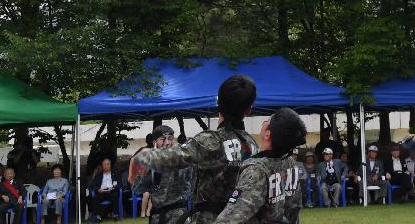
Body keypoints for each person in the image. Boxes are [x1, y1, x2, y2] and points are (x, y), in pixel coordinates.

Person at [131, 75, 260, 224]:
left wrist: (140, 156)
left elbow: (170, 158)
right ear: (249, 110)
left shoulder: (212, 141)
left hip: (211, 218)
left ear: (218, 102)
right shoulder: (252, 145)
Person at [214, 108, 307, 224]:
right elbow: (295, 207)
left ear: (268, 134)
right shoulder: (291, 164)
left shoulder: (257, 170)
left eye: (268, 120)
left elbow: (232, 217)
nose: (264, 121)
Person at [133, 125, 193, 224]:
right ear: (155, 142)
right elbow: (137, 189)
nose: (167, 143)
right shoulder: (149, 163)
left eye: (170, 139)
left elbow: (191, 183)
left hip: (178, 214)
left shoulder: (181, 159)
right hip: (157, 216)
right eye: (162, 139)